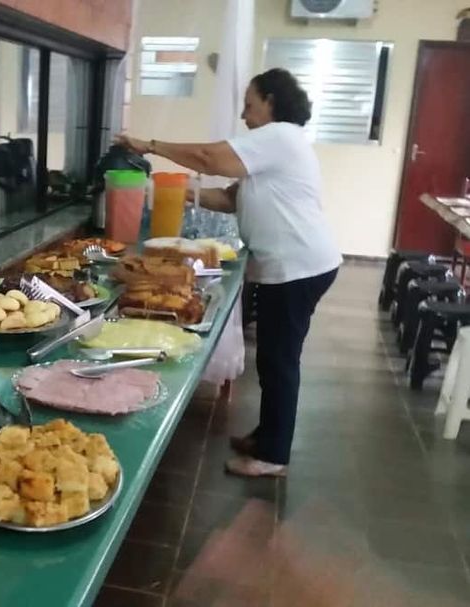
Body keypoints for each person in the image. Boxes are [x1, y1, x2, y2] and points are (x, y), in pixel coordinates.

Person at [116, 68, 342, 477]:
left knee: (280, 360)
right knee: (273, 358)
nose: (244, 115)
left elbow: (209, 158)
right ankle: (268, 435)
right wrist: (172, 188)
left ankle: (273, 456)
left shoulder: (279, 136)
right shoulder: (276, 147)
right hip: (294, 265)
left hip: (297, 266)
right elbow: (227, 199)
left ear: (271, 101)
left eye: (249, 105)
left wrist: (149, 145)